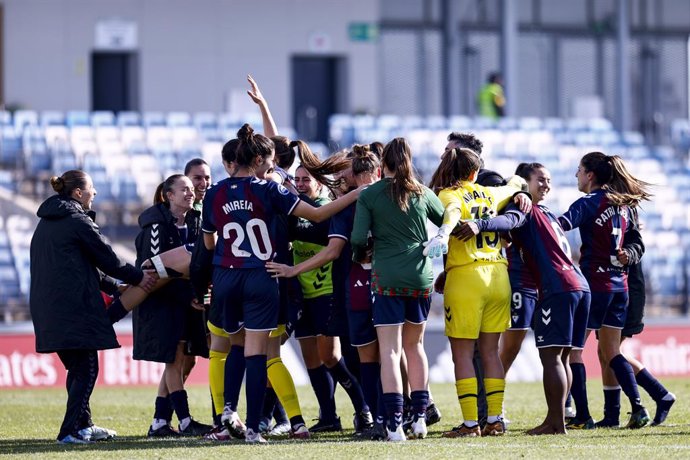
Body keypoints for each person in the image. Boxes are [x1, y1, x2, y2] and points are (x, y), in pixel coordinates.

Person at [198, 123, 362, 443]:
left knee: (235, 346)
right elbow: (317, 216)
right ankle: (252, 430)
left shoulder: (215, 191)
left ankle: (227, 412)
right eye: (270, 160)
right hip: (262, 275)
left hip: (226, 277)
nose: (273, 166)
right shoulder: (268, 189)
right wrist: (355, 194)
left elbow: (207, 244)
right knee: (259, 353)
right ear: (259, 160)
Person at [458, 162, 590, 435]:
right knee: (563, 358)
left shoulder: (525, 207)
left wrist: (479, 224)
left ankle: (555, 423)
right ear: (523, 182)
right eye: (540, 180)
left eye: (547, 180)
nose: (546, 185)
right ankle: (558, 418)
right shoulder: (549, 214)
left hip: (558, 287)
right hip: (578, 284)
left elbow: (511, 221)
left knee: (552, 358)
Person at [30, 170, 157, 444]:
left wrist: (114, 287)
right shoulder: (76, 220)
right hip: (71, 307)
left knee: (78, 368)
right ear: (78, 193)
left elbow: (85, 267)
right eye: (91, 188)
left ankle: (83, 425)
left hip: (50, 308)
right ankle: (69, 431)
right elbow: (107, 259)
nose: (95, 193)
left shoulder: (49, 222)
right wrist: (138, 278)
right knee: (86, 368)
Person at [267, 144, 376, 436]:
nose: (301, 184)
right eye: (298, 180)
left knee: (330, 356)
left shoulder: (328, 209)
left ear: (319, 183)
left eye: (307, 180)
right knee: (311, 358)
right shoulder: (294, 209)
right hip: (301, 293)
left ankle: (364, 408)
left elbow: (329, 246)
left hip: (328, 291)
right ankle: (328, 415)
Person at [427, 148, 529, 438]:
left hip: (466, 277)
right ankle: (495, 419)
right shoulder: (490, 192)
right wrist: (524, 194)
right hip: (498, 276)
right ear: (475, 173)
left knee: (462, 353)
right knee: (490, 352)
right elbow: (518, 182)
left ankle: (471, 424)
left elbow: (452, 213)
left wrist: (444, 234)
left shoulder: (447, 194)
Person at [349, 137, 444, 441]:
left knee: (390, 350)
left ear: (383, 163)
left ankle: (394, 423)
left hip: (386, 278)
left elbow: (357, 239)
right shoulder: (423, 192)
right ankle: (419, 418)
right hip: (420, 277)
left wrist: (361, 254)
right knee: (415, 347)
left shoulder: (371, 194)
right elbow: (446, 220)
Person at [559, 151, 653, 430]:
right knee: (612, 351)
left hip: (594, 286)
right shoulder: (624, 206)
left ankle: (583, 416)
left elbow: (560, 225)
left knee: (574, 352)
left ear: (590, 175)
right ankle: (637, 408)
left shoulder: (589, 202)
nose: (576, 174)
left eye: (579, 170)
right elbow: (634, 241)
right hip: (619, 287)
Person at [133, 174, 212, 437]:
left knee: (180, 361)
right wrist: (187, 294)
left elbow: (197, 265)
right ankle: (186, 421)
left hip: (184, 302)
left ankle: (159, 422)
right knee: (175, 360)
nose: (191, 193)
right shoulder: (155, 227)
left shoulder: (195, 222)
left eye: (191, 189)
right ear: (169, 196)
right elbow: (152, 273)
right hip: (161, 304)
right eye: (184, 189)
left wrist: (197, 294)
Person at [596, 206, 676, 427]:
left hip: (626, 293)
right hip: (620, 291)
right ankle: (613, 414)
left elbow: (634, 251)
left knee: (610, 352)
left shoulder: (623, 221)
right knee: (606, 352)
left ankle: (658, 396)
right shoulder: (619, 219)